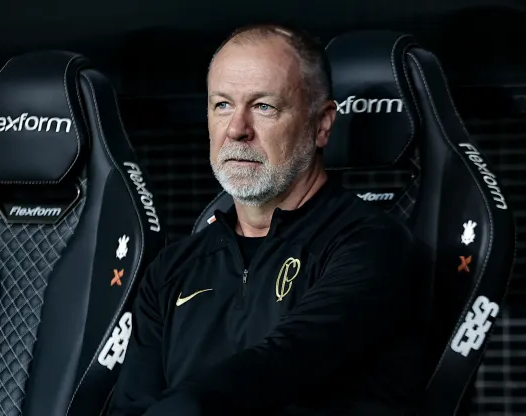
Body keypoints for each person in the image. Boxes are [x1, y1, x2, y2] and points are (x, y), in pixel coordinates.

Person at [108, 23, 431, 416]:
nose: (237, 129)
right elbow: (131, 404)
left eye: (263, 106)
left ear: (322, 125)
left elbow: (286, 360)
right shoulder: (172, 268)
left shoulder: (373, 246)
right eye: (222, 105)